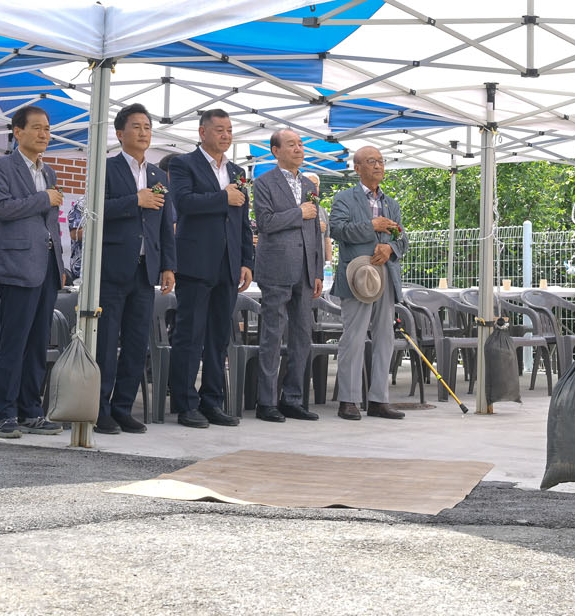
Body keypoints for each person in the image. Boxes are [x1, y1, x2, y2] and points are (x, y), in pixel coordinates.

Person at [162, 107, 254, 429]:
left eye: (229, 130)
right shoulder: (184, 164)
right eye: (219, 130)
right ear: (202, 132)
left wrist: (246, 260)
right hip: (196, 262)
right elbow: (183, 202)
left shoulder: (237, 170)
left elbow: (243, 220)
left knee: (218, 337)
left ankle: (212, 401)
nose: (226, 135)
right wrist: (222, 197)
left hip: (229, 265)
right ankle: (185, 403)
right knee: (190, 335)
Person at [0, 104, 68, 438]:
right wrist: (44, 198)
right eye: (37, 127)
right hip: (17, 265)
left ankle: (31, 410)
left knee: (38, 343)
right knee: (14, 342)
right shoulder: (1, 166)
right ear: (17, 132)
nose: (44, 134)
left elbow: (51, 222)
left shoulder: (48, 171)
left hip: (47, 265)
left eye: (47, 128)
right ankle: (4, 412)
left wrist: (59, 261)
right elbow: (3, 209)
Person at [93, 104, 176, 435]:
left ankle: (123, 408)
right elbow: (94, 210)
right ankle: (99, 409)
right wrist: (134, 201)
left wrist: (168, 266)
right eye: (137, 126)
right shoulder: (106, 168)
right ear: (120, 133)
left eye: (147, 127)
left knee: (137, 343)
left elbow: (165, 225)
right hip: (112, 268)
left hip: (146, 271)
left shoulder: (158, 175)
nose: (143, 132)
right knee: (106, 343)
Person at [328, 144, 409, 420]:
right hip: (356, 276)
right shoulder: (344, 199)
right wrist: (371, 226)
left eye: (381, 161)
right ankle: (348, 400)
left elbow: (403, 239)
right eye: (371, 161)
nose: (378, 166)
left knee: (385, 337)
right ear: (357, 168)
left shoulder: (391, 203)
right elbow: (337, 230)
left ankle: (378, 400)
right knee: (354, 337)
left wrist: (390, 249)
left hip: (385, 275)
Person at [251, 129, 324, 422]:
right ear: (275, 150)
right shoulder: (263, 183)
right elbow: (265, 223)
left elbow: (315, 230)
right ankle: (266, 401)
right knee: (272, 334)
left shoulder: (308, 184)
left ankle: (292, 398)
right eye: (291, 144)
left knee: (302, 336)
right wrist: (298, 213)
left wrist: (317, 270)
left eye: (301, 144)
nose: (298, 149)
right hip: (276, 268)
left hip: (305, 270)